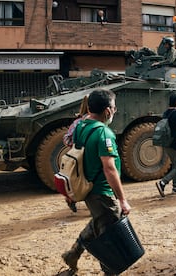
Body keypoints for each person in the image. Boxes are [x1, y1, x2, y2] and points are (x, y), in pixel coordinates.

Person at [61, 89, 131, 275]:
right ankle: (109, 271)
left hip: (89, 189)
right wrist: (122, 199)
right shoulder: (104, 133)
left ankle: (73, 253)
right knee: (110, 236)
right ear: (108, 111)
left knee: (100, 222)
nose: (115, 112)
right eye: (114, 109)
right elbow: (109, 169)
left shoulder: (80, 126)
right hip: (102, 192)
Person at [155, 93, 176, 197]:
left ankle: (175, 187)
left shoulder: (166, 113)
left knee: (174, 164)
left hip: (166, 143)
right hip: (175, 143)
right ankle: (163, 183)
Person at [62, 96, 89, 213]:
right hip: (87, 157)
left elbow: (66, 140)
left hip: (78, 157)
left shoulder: (77, 122)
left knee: (78, 180)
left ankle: (71, 198)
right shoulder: (88, 123)